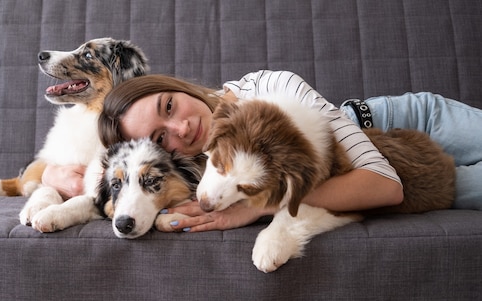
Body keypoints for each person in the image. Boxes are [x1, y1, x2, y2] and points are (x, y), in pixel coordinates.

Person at [43, 70, 482, 232]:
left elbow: (384, 186)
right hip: (424, 173)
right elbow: (117, 182)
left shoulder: (269, 87)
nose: (181, 127)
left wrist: (261, 206)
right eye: (161, 138)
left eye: (169, 106)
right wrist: (49, 176)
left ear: (174, 87)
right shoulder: (197, 170)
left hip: (399, 122)